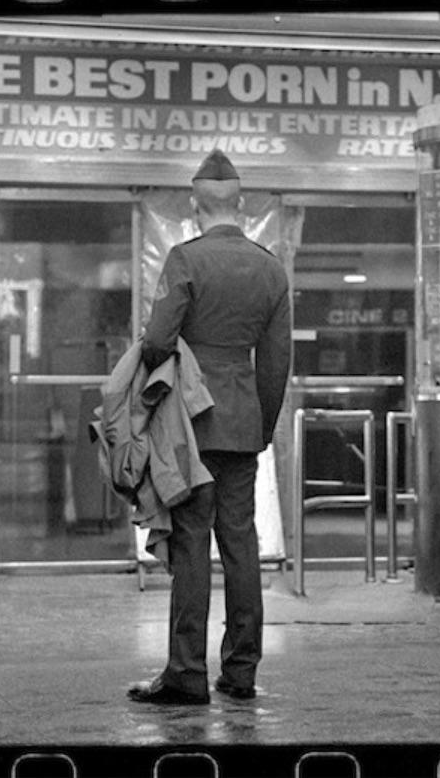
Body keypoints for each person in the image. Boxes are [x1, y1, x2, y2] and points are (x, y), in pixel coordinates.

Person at [127, 150, 291, 705]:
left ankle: (186, 674)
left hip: (190, 424)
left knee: (192, 542)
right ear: (240, 205)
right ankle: (240, 673)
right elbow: (276, 360)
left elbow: (156, 341)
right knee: (241, 543)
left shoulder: (184, 260)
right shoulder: (270, 268)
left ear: (195, 206)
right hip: (243, 419)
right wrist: (262, 424)